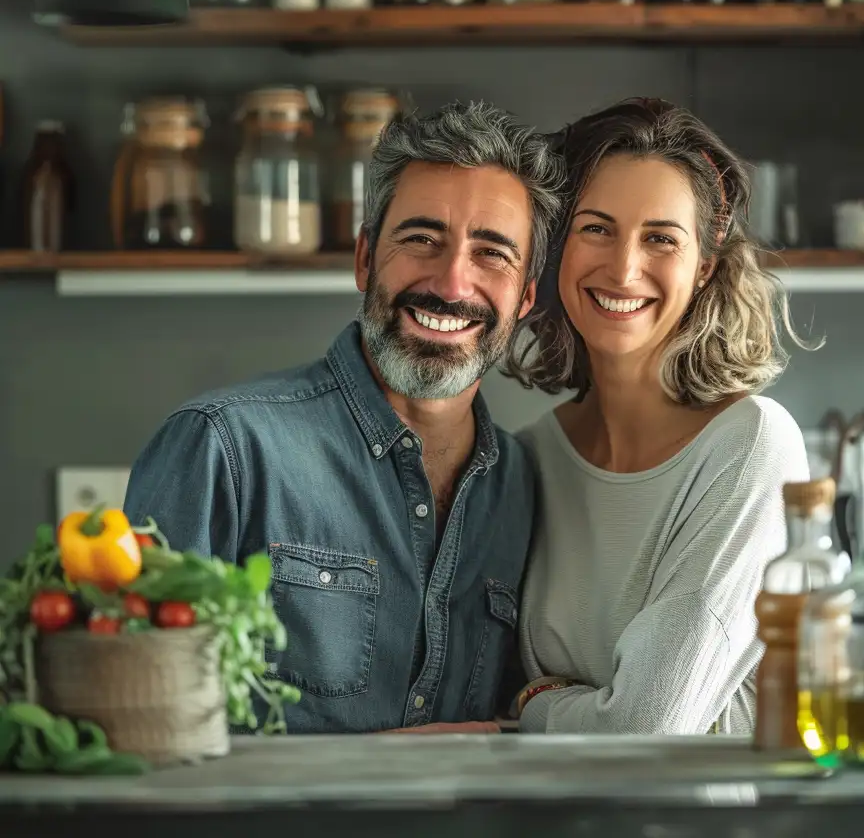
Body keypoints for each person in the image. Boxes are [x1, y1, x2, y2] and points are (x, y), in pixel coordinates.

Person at [123, 103, 561, 732]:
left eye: (491, 253)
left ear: (525, 297)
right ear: (364, 260)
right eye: (421, 240)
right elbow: (136, 727)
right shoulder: (222, 449)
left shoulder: (523, 484)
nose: (452, 281)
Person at [505, 98, 811, 735]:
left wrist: (534, 707)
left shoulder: (751, 446)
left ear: (703, 267)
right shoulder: (529, 456)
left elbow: (648, 727)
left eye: (660, 239)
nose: (623, 267)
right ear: (556, 245)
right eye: (595, 228)